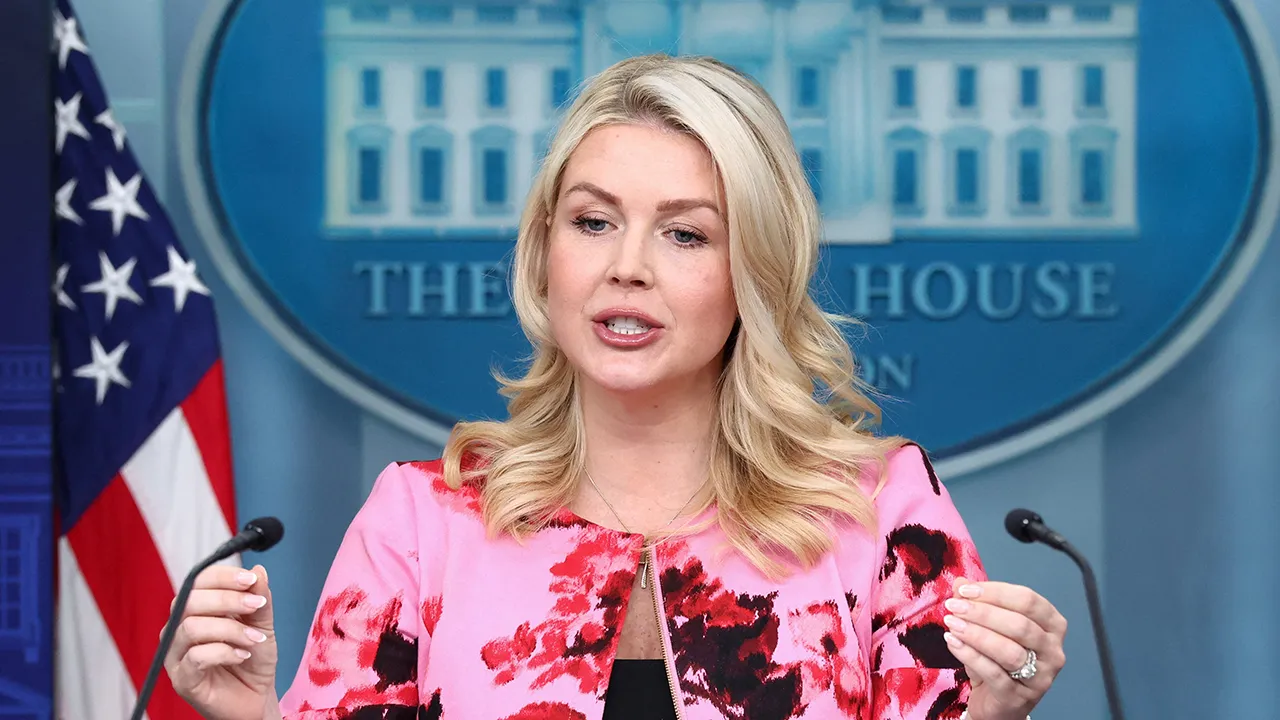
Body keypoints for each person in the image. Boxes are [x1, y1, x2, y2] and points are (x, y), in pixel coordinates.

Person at [166, 54, 1067, 720]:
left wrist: (993, 708)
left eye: (685, 235)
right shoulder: (422, 520)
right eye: (593, 222)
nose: (625, 268)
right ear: (545, 252)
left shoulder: (877, 510)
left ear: (752, 271)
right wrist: (249, 715)